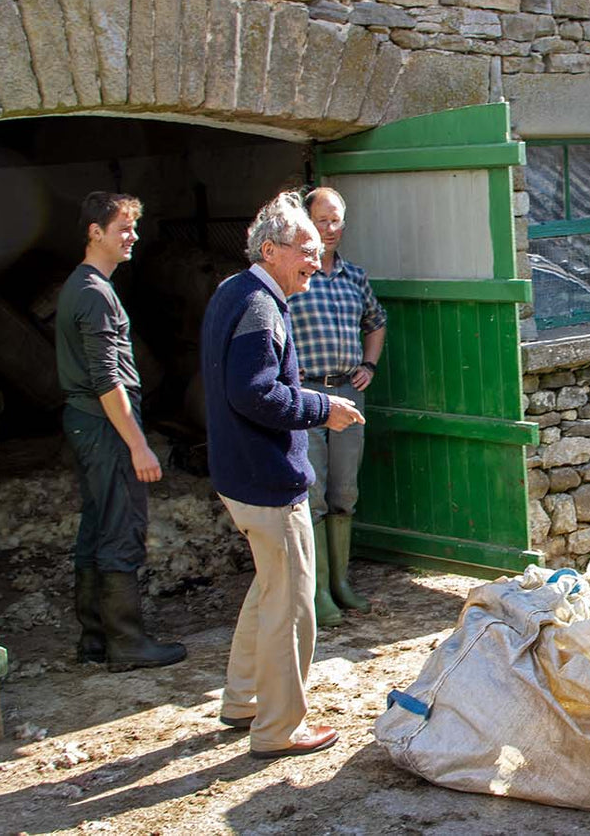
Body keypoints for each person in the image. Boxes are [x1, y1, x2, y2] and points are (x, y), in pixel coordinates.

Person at [201, 193, 365, 759]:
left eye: (320, 253)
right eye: (306, 251)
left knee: (268, 590)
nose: (316, 264)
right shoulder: (260, 307)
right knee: (292, 606)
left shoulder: (235, 292)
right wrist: (324, 409)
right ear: (270, 250)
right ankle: (278, 728)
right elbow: (253, 393)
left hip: (240, 476)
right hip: (267, 480)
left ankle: (243, 700)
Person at [56, 191, 187, 673]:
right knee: (119, 527)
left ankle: (95, 640)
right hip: (105, 427)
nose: (132, 237)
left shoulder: (83, 286)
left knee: (96, 524)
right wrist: (139, 445)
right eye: (123, 229)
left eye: (134, 227)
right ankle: (127, 642)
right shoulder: (94, 294)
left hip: (87, 423)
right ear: (95, 233)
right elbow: (106, 379)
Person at [288, 185, 386, 629]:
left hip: (349, 393)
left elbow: (377, 322)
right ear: (306, 222)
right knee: (312, 495)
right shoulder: (294, 277)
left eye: (336, 221)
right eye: (322, 221)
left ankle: (342, 584)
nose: (330, 230)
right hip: (307, 395)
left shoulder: (354, 277)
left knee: (344, 493)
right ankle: (317, 591)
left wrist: (369, 364)